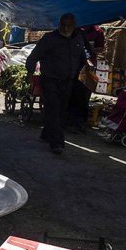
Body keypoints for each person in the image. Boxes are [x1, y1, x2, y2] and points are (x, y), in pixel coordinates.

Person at [26, 13, 87, 154]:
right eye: (63, 25)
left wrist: (80, 70)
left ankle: (47, 133)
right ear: (59, 25)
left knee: (60, 110)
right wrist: (30, 74)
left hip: (68, 81)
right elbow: (33, 57)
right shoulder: (49, 39)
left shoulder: (78, 39)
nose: (66, 28)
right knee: (53, 109)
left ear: (74, 26)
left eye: (69, 25)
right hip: (50, 80)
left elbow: (82, 58)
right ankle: (57, 142)